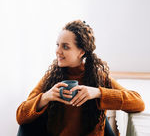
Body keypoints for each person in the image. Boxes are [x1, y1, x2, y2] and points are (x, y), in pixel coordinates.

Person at [16, 20, 145, 136]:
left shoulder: (99, 77)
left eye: (65, 46)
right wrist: (46, 97)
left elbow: (138, 103)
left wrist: (98, 93)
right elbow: (21, 116)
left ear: (81, 52)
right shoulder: (51, 77)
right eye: (57, 45)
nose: (58, 51)